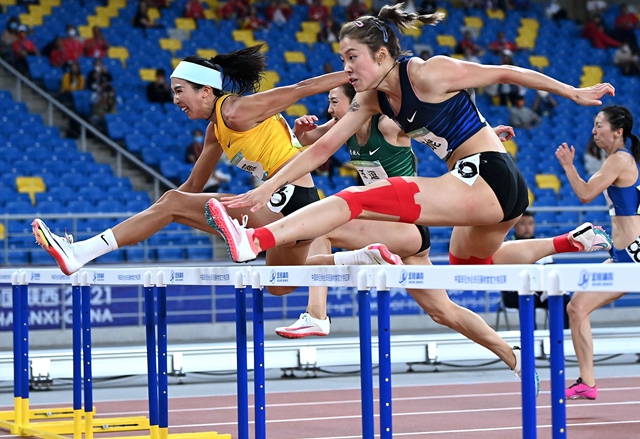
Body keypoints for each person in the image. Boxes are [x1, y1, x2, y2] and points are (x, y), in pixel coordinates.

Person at [207, 5, 613, 308]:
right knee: (472, 268)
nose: (346, 68)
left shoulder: (429, 73)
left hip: (489, 175)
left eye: (352, 58)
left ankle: (255, 239)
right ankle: (568, 241)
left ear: (381, 56)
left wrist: (573, 93)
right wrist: (268, 190)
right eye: (343, 59)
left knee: (356, 198)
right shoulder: (369, 100)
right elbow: (322, 148)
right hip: (480, 189)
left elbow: (507, 72)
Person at [278, 84, 607, 343]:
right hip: (379, 225)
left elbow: (438, 125)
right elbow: (311, 142)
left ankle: (318, 312)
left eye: (334, 102)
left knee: (320, 221)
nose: (328, 109)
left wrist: (487, 135)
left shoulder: (388, 126)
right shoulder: (344, 129)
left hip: (407, 224)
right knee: (443, 310)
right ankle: (510, 353)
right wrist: (302, 128)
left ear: (354, 103)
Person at [31, 44, 350, 298]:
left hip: (285, 197)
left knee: (171, 203)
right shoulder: (216, 130)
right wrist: (147, 221)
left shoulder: (238, 110)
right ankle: (358, 258)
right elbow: (193, 186)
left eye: (180, 90)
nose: (174, 100)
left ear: (206, 91)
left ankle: (80, 251)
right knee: (279, 286)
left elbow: (303, 87)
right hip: (298, 205)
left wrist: (355, 75)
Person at [556, 105, 640, 400]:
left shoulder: (620, 160)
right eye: (593, 124)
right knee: (576, 308)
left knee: (577, 308)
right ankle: (587, 382)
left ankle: (587, 381)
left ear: (618, 132)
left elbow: (585, 193)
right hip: (623, 255)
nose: (594, 130)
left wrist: (568, 165)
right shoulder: (617, 162)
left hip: (632, 257)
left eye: (600, 124)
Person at [500, 211, 571, 330]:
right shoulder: (505, 247)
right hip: (513, 293)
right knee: (529, 298)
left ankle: (561, 337)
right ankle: (531, 341)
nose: (527, 227)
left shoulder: (543, 247)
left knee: (562, 298)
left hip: (541, 292)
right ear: (514, 226)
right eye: (523, 223)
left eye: (530, 223)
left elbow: (551, 273)